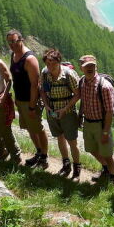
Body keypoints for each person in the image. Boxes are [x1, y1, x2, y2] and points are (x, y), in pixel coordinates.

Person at [67, 55, 114, 186]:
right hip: (88, 123)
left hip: (101, 125)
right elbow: (83, 100)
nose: (89, 68)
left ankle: (113, 179)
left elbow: (110, 111)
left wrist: (106, 132)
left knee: (107, 154)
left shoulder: (105, 86)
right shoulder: (82, 81)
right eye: (86, 66)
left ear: (96, 67)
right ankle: (106, 169)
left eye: (92, 66)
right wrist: (80, 116)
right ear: (81, 68)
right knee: (91, 149)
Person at [7, 30, 49, 169]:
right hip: (20, 99)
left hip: (30, 101)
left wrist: (32, 106)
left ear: (21, 39)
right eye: (10, 42)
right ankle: (38, 152)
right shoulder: (13, 55)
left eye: (15, 41)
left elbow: (34, 85)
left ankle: (44, 157)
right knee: (30, 128)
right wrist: (17, 99)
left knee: (38, 128)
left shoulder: (29, 59)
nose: (12, 44)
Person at [40, 49, 82, 179]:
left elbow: (78, 94)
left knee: (72, 141)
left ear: (59, 62)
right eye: (48, 63)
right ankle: (66, 164)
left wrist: (65, 109)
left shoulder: (69, 74)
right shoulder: (45, 73)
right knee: (60, 138)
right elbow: (42, 90)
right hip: (52, 111)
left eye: (53, 63)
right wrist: (46, 106)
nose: (50, 66)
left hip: (68, 113)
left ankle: (77, 167)